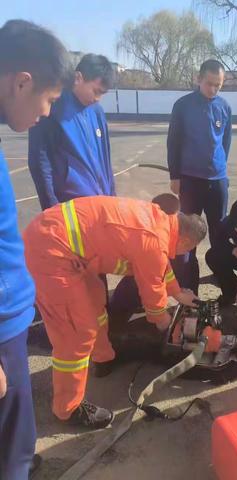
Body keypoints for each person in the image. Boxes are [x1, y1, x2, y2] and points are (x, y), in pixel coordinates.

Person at [23, 196, 206, 429]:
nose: (182, 254)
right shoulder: (153, 239)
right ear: (186, 241)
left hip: (64, 244)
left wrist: (178, 294)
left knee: (96, 305)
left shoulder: (160, 223)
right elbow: (153, 295)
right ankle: (68, 409)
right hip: (51, 253)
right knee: (77, 335)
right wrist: (164, 322)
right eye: (187, 250)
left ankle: (103, 358)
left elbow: (159, 265)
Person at [0, 19, 70, 479]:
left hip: (10, 319)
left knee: (16, 440)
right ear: (21, 82)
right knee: (10, 446)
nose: (46, 114)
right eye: (47, 101)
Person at [167, 59, 232, 294]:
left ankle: (226, 284)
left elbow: (226, 142)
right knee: (188, 235)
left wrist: (220, 169)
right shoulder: (183, 105)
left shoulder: (224, 107)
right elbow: (173, 142)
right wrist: (175, 175)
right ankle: (188, 289)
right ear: (198, 79)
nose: (213, 89)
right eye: (209, 84)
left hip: (217, 181)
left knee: (220, 235)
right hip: (190, 180)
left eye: (218, 85)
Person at [28, 54, 115, 210]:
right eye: (95, 91)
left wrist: (112, 198)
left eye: (102, 93)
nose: (98, 98)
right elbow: (40, 161)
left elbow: (105, 159)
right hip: (70, 208)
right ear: (78, 77)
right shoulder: (52, 107)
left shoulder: (97, 112)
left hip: (101, 204)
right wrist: (51, 207)